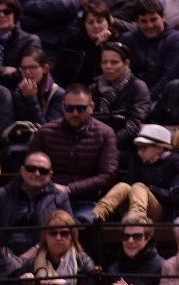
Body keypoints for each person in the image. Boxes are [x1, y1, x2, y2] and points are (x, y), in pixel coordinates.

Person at [27, 84, 119, 218]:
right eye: (70, 108)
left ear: (91, 107)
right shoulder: (45, 132)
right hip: (49, 197)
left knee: (83, 225)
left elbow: (107, 175)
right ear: (63, 106)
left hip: (86, 199)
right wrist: (51, 187)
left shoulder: (105, 133)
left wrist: (69, 189)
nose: (75, 113)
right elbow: (30, 167)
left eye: (81, 109)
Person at [83, 124, 179, 224]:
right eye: (138, 148)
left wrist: (149, 189)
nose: (139, 152)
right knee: (123, 186)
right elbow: (130, 183)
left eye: (144, 148)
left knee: (139, 186)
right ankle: (97, 215)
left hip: (161, 212)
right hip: (131, 207)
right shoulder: (137, 160)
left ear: (159, 148)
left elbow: (177, 196)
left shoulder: (176, 162)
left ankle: (137, 218)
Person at [0, 150, 72, 258]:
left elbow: (68, 232)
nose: (37, 174)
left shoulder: (60, 198)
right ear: (22, 170)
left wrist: (36, 251)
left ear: (50, 175)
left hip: (46, 256)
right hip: (2, 257)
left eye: (43, 171)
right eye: (31, 169)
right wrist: (8, 259)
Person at [16, 210, 98, 285]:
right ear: (45, 236)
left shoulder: (85, 263)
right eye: (53, 233)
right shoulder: (30, 265)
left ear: (72, 236)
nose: (58, 238)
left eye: (64, 233)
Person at [89, 42, 151, 160]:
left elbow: (134, 126)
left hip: (126, 146)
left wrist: (108, 143)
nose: (108, 66)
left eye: (114, 62)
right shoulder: (93, 88)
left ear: (126, 63)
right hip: (96, 143)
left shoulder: (138, 87)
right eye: (104, 62)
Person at [121, 0, 179, 104]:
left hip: (164, 99)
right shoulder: (127, 39)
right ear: (137, 22)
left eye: (153, 19)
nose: (149, 25)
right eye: (144, 21)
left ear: (163, 17)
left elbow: (170, 77)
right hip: (131, 97)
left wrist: (144, 101)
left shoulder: (177, 40)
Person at [101, 212, 164, 285]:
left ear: (147, 239)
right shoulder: (113, 270)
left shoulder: (162, 267)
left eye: (137, 236)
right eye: (126, 237)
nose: (130, 241)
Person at [0, 0, 42, 90]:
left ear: (15, 15)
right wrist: (2, 70)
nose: (1, 15)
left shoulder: (30, 41)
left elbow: (27, 74)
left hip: (17, 94)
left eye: (7, 12)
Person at [56, 1, 121, 88]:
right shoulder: (73, 43)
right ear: (84, 26)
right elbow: (61, 76)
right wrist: (94, 48)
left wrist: (101, 47)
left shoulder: (118, 42)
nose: (96, 26)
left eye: (99, 21)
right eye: (90, 22)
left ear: (108, 23)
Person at [12, 48, 64, 127]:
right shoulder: (18, 91)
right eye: (24, 68)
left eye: (32, 67)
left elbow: (47, 129)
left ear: (45, 68)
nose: (27, 72)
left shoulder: (58, 94)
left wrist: (30, 98)